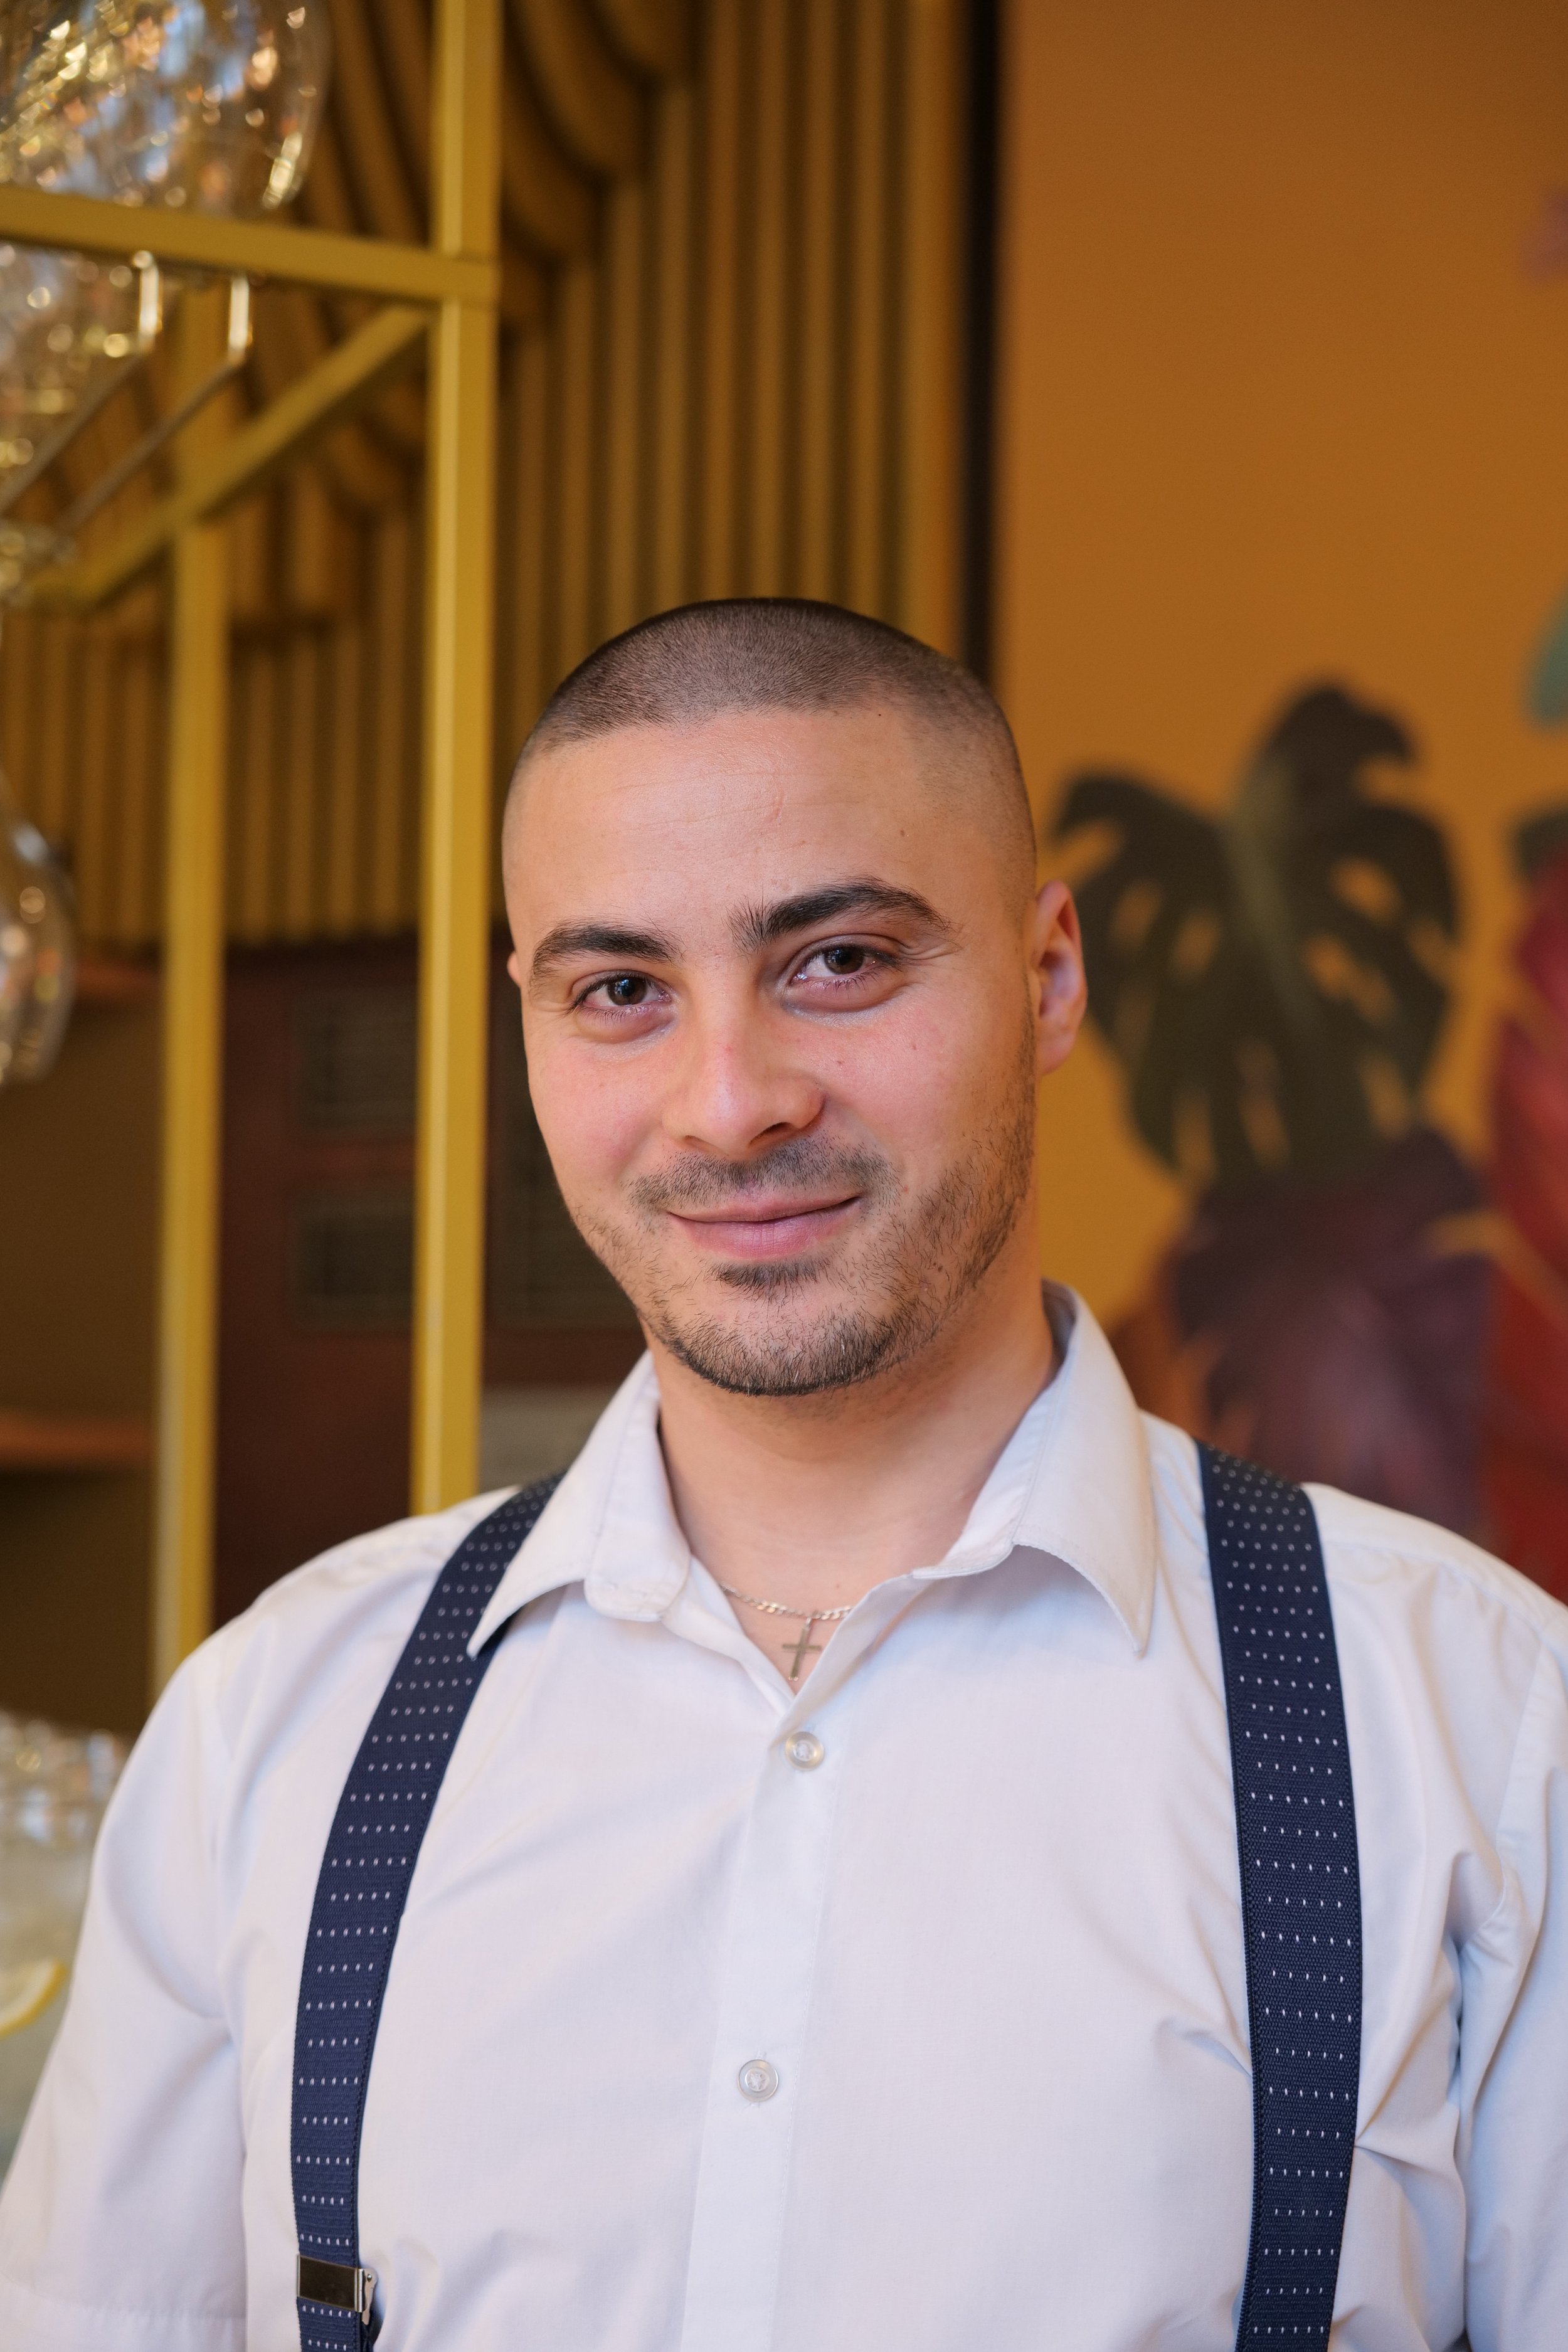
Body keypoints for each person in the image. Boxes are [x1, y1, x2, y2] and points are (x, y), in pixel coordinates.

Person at [1, 599, 1564, 2352]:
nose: (728, 1100)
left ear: (1048, 977)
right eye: (619, 991)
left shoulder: (1476, 1731)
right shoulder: (271, 1733)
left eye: (839, 961)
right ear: (523, 1022)